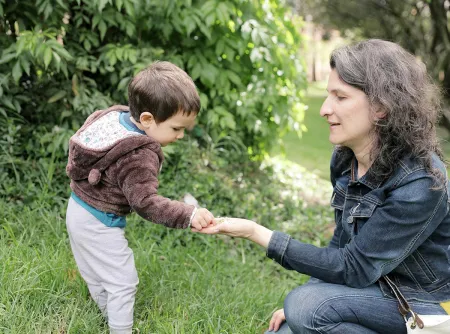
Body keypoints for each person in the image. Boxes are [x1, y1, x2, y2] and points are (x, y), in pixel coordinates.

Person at [197, 39, 450, 333]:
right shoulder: (346, 160)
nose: (324, 109)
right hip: (376, 290)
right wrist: (317, 297)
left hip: (426, 306)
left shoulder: (421, 182)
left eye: (340, 97)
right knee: (289, 324)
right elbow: (341, 244)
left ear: (381, 106)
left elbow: (352, 267)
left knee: (306, 308)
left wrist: (257, 232)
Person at [65, 61, 215, 334]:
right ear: (147, 119)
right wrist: (188, 214)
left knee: (96, 273)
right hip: (99, 222)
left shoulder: (114, 117)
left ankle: (106, 315)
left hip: (77, 209)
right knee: (123, 281)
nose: (181, 136)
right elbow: (145, 202)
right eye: (176, 128)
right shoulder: (139, 153)